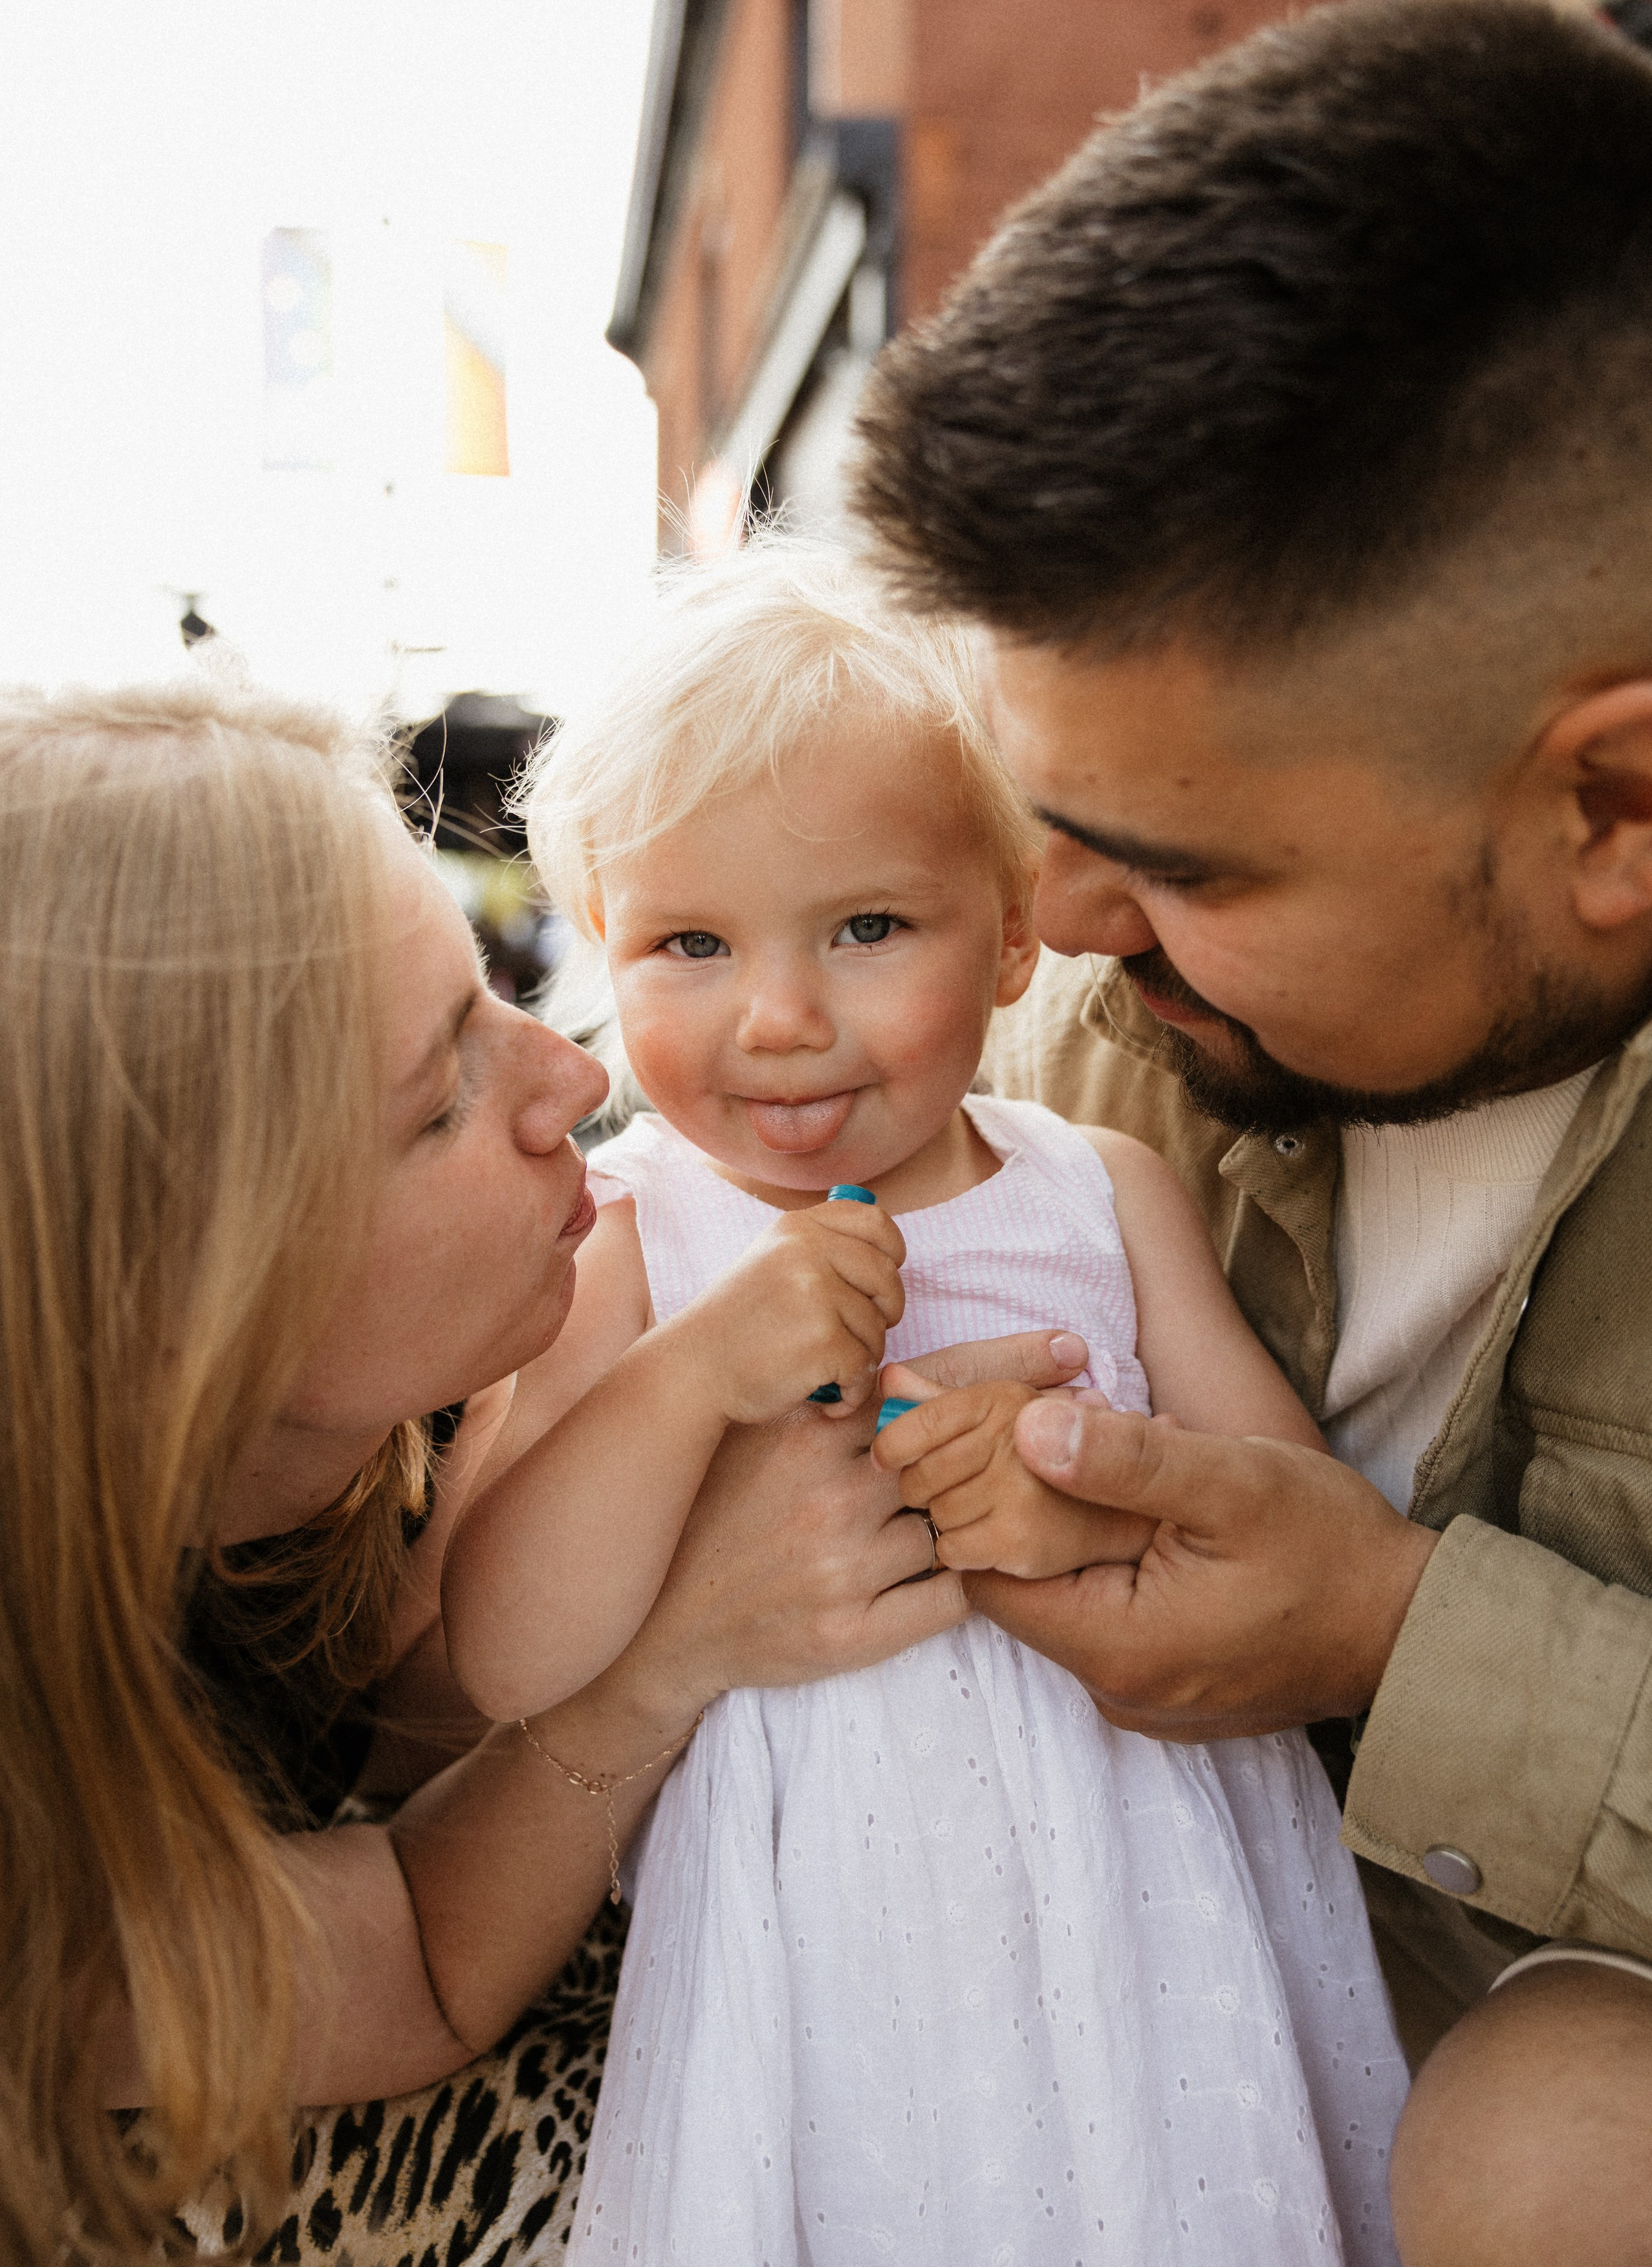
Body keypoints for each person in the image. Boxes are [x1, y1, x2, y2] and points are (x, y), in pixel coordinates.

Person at [848, 0, 1652, 2264]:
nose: (1056, 924)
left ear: (1617, 803)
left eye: (1178, 865)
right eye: (1038, 814)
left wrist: (1398, 1640)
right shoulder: (1080, 1035)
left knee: (1559, 2151)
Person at [0, 670, 1081, 2266]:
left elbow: (420, 1724)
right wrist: (676, 1645)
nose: (576, 1080)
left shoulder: (477, 1375)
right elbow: (409, 1968)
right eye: (442, 1094)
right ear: (179, 1304)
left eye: (492, 989)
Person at [441, 549, 1407, 2266]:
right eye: (689, 943)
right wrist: (692, 1374)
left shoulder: (1096, 1191)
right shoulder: (639, 1237)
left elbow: (1284, 1509)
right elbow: (509, 1657)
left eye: (868, 928)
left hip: (1153, 1906)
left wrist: (1081, 1490)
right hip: (826, 1949)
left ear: (1016, 933)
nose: (780, 1019)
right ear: (600, 939)